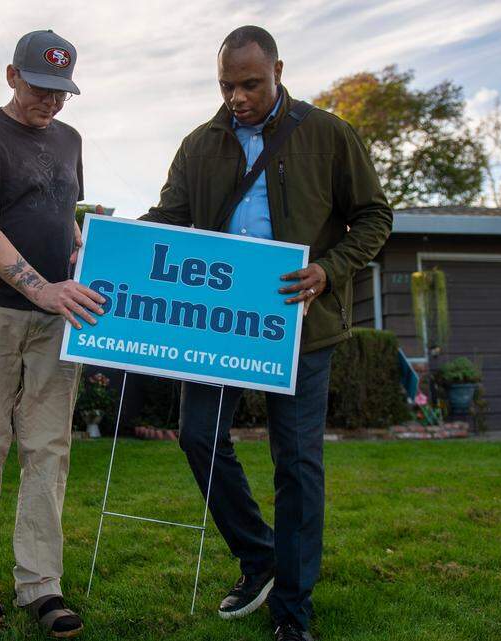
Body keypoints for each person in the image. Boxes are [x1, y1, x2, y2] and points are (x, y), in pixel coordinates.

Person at [140, 25, 393, 641]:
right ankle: (260, 559)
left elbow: (374, 215)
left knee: (298, 465)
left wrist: (328, 272)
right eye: (227, 85)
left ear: (278, 69)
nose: (238, 97)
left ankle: (293, 614)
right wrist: (103, 245)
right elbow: (168, 221)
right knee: (198, 437)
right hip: (219, 328)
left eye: (250, 84)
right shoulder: (200, 145)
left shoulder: (329, 133)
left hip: (302, 327)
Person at [0, 29, 105, 639]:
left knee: (48, 448)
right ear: (12, 75)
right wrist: (40, 288)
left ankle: (42, 585)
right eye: (42, 89)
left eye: (63, 92)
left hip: (56, 316)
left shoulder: (71, 140)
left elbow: (62, 219)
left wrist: (84, 260)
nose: (53, 103)